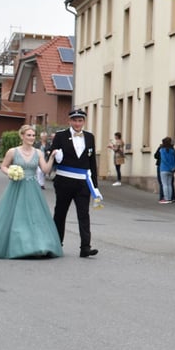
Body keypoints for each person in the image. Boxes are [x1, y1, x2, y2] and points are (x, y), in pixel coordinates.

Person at [0, 125, 62, 259]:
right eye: (29, 135)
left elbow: (45, 170)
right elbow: (3, 166)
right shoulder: (13, 152)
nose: (31, 138)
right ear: (22, 136)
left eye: (33, 135)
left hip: (32, 188)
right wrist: (9, 172)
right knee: (16, 216)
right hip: (16, 186)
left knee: (35, 217)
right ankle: (20, 246)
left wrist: (51, 158)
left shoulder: (38, 153)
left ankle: (39, 245)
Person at [50, 108, 99, 257]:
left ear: (83, 121)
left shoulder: (90, 137)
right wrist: (56, 156)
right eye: (75, 120)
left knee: (84, 214)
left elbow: (92, 162)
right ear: (69, 121)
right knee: (60, 213)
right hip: (64, 181)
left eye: (80, 120)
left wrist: (95, 186)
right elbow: (52, 153)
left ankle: (85, 247)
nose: (77, 123)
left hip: (82, 183)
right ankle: (57, 244)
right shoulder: (60, 136)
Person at [157, 137, 175, 203]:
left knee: (164, 184)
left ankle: (166, 198)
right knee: (169, 184)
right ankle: (170, 199)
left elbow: (164, 160)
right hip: (171, 170)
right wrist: (173, 167)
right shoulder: (173, 150)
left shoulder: (162, 150)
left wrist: (168, 166)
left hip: (163, 169)